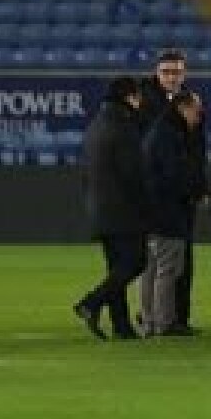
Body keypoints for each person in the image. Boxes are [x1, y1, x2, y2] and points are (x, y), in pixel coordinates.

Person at [136, 48, 208, 334]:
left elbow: (197, 153)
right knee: (165, 262)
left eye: (176, 71)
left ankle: (168, 317)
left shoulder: (189, 102)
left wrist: (200, 186)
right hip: (164, 195)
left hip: (176, 194)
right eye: (166, 71)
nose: (171, 77)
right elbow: (175, 161)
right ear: (156, 72)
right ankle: (162, 319)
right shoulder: (147, 104)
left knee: (171, 261)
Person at [73, 77, 148, 341]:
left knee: (117, 267)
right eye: (138, 97)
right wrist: (146, 206)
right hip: (123, 211)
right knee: (137, 261)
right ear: (128, 97)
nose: (140, 102)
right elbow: (132, 173)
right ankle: (91, 303)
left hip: (100, 209)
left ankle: (121, 326)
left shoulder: (96, 126)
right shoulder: (123, 127)